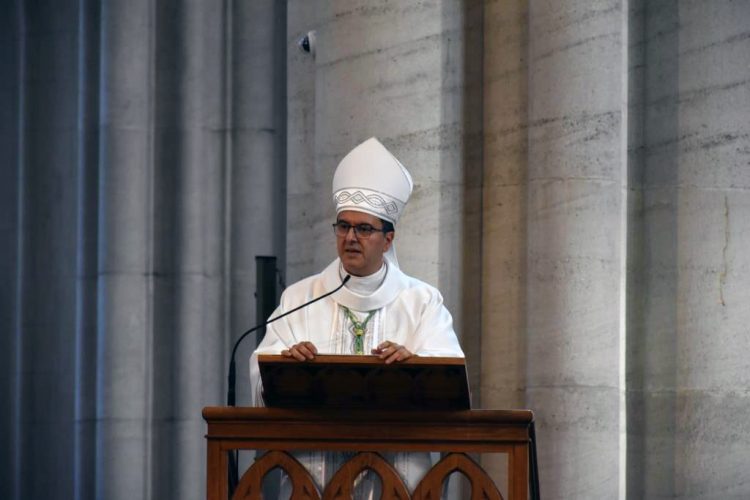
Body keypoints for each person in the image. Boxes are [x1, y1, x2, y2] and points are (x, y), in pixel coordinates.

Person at [250, 137, 464, 496]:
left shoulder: (421, 302)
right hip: (314, 478)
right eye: (343, 226)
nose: (350, 237)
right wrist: (285, 364)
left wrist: (416, 363)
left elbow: (451, 377)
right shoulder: (300, 298)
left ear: (388, 239)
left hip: (397, 479)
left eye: (364, 229)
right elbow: (261, 371)